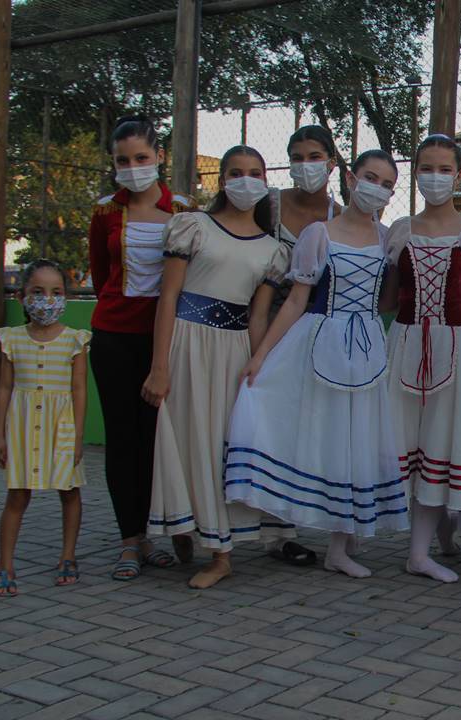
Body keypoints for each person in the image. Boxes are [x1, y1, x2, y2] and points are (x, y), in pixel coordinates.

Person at [223, 149, 409, 579]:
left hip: (365, 348)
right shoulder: (318, 234)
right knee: (323, 435)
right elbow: (296, 300)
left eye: (385, 183)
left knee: (357, 439)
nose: (375, 188)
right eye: (369, 177)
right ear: (349, 177)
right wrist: (262, 356)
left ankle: (341, 544)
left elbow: (385, 301)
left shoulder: (386, 238)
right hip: (319, 340)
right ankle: (321, 529)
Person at [144, 145, 294, 589]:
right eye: (235, 172)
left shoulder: (272, 250)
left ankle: (221, 553)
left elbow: (258, 315)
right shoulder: (193, 227)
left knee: (217, 446)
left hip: (231, 352)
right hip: (185, 345)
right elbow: (168, 297)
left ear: (266, 181)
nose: (245, 180)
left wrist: (257, 365)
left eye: (254, 172)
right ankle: (185, 525)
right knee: (183, 440)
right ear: (221, 180)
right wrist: (159, 366)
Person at [87, 115, 196, 580]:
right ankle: (131, 540)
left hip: (166, 339)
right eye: (123, 161)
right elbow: (98, 274)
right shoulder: (104, 212)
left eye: (141, 158)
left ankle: (169, 524)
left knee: (164, 438)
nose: (133, 167)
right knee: (124, 441)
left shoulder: (185, 210)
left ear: (159, 158)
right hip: (114, 338)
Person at [386, 134, 461, 584]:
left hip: (459, 341)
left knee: (447, 437)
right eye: (426, 168)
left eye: (444, 168)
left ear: (460, 174)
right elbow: (389, 297)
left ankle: (442, 536)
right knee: (411, 437)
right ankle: (418, 551)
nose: (435, 176)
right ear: (415, 173)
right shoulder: (400, 230)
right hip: (406, 341)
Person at [0, 260, 91, 596]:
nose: (46, 300)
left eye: (56, 292)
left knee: (69, 491)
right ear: (22, 296)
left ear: (65, 297)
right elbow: (4, 388)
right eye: (37, 292)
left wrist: (77, 436)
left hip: (61, 427)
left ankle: (67, 557)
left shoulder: (75, 341)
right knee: (17, 494)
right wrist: (0, 435)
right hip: (21, 427)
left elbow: (79, 391)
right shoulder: (11, 339)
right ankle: (4, 565)